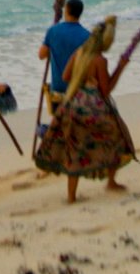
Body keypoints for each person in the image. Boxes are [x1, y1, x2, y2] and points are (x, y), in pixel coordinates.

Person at [33, 16, 134, 202]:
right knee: (117, 137)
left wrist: (80, 79)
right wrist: (120, 67)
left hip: (74, 103)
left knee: (75, 148)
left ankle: (71, 196)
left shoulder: (79, 53)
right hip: (94, 106)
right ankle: (111, 181)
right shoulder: (99, 61)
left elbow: (65, 76)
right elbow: (105, 90)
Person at [38, 0, 90, 133]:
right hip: (80, 91)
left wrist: (53, 45)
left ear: (66, 10)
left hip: (59, 89)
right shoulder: (88, 36)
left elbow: (41, 55)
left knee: (61, 125)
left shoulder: (53, 31)